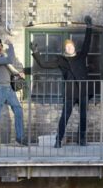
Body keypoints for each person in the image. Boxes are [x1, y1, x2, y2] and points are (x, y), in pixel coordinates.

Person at [32, 15, 93, 148]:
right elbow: (44, 64)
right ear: (65, 49)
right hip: (70, 92)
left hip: (83, 90)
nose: (69, 48)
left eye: (71, 46)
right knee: (65, 117)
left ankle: (81, 139)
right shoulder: (61, 60)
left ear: (74, 47)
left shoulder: (81, 56)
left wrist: (89, 27)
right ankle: (58, 140)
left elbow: (87, 43)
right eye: (67, 47)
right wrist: (36, 52)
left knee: (83, 116)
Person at [0, 37, 26, 148]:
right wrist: (11, 46)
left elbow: (9, 68)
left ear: (1, 46)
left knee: (18, 110)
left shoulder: (2, 57)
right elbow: (10, 60)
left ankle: (20, 138)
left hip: (8, 88)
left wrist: (19, 74)